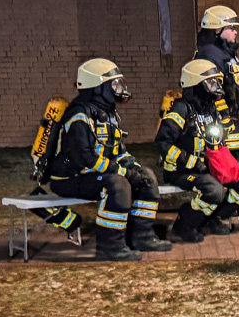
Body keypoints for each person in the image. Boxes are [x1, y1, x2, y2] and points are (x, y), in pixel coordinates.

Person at [46, 58, 172, 260]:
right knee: (117, 185)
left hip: (96, 174)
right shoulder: (79, 116)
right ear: (98, 87)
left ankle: (142, 237)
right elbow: (85, 158)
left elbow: (118, 151)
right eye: (113, 84)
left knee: (147, 177)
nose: (118, 88)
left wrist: (134, 168)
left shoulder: (107, 114)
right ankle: (109, 246)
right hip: (70, 179)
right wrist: (123, 172)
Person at [158, 60, 239, 243]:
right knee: (215, 191)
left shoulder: (210, 108)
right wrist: (191, 161)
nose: (216, 86)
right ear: (196, 84)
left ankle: (210, 218)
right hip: (182, 170)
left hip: (208, 167)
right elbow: (162, 143)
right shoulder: (181, 109)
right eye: (211, 82)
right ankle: (185, 223)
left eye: (216, 82)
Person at [193, 5, 239, 192]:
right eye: (231, 28)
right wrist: (226, 114)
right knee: (234, 174)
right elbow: (210, 91)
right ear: (217, 30)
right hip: (229, 130)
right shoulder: (210, 55)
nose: (235, 31)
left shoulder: (225, 54)